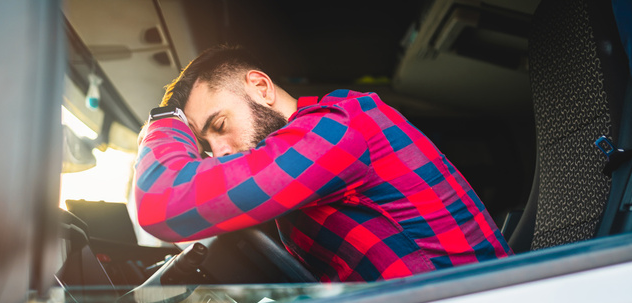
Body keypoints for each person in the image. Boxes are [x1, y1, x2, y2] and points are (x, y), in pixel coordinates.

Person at [135, 45, 512, 282]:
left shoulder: (336, 127)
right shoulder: (302, 163)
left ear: (261, 88)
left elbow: (163, 201)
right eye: (206, 146)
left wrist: (164, 119)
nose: (219, 153)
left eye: (219, 126)